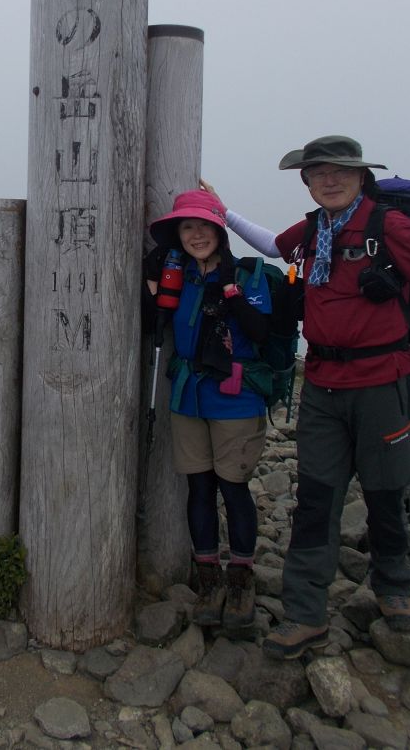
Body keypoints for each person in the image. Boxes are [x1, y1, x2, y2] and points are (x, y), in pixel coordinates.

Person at [205, 134, 410, 659]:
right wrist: (223, 211)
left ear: (360, 177)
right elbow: (270, 246)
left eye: (339, 172)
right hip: (325, 384)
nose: (328, 180)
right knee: (316, 498)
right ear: (306, 182)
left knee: (385, 489)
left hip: (383, 380)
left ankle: (394, 588)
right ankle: (306, 614)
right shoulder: (313, 230)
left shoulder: (388, 225)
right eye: (317, 173)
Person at [147, 188, 272, 629]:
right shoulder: (173, 277)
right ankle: (208, 579)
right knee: (199, 489)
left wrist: (232, 292)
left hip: (236, 399)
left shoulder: (250, 274)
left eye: (204, 226)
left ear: (220, 232)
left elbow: (259, 330)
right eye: (187, 227)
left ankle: (240, 580)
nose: (196, 234)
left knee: (233, 488)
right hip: (188, 397)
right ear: (177, 235)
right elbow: (155, 320)